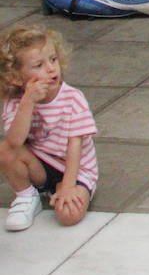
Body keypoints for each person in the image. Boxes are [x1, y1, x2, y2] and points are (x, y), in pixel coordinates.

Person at [1, 25, 98, 232]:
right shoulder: (16, 101)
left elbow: (75, 146)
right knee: (5, 149)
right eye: (39, 65)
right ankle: (26, 196)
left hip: (75, 169)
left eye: (53, 60)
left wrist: (69, 185)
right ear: (17, 77)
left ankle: (63, 189)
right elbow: (14, 142)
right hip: (40, 165)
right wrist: (27, 102)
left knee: (68, 216)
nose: (51, 68)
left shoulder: (72, 98)